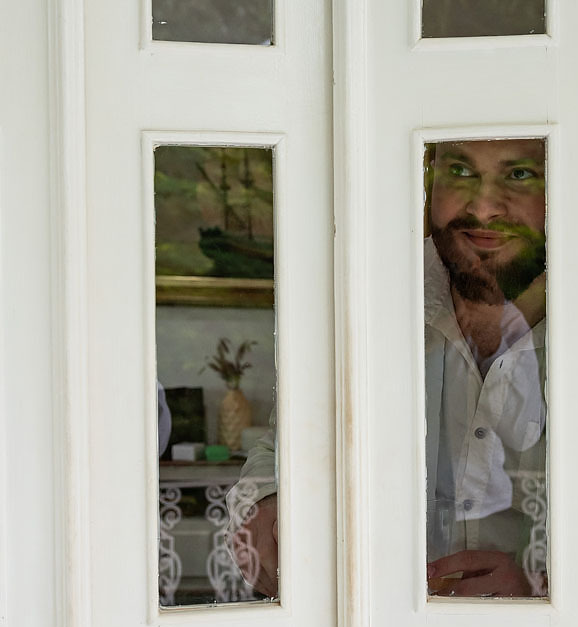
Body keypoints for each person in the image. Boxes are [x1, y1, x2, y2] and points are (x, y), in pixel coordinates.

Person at [229, 137, 551, 598]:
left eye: (518, 174)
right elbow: (288, 446)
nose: (483, 209)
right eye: (460, 171)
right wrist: (266, 503)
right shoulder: (362, 291)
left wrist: (545, 591)